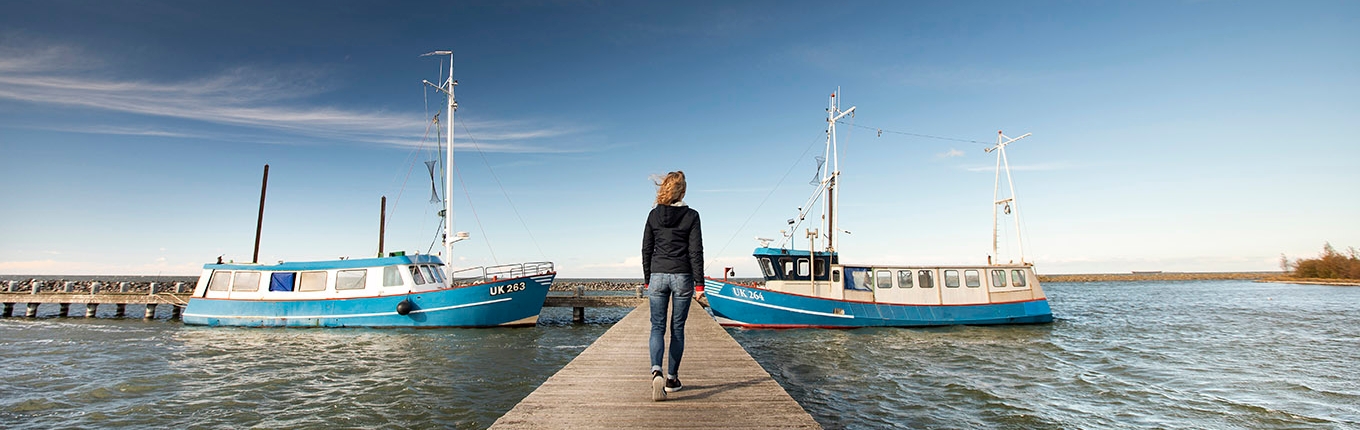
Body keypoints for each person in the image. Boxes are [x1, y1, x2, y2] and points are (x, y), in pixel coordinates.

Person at [641, 170, 703, 401]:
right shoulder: (692, 216)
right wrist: (700, 284)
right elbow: (695, 250)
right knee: (677, 329)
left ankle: (655, 370)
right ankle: (672, 379)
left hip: (657, 274)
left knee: (657, 327)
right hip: (682, 276)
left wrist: (648, 278)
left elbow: (646, 248)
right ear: (683, 191)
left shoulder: (653, 215)